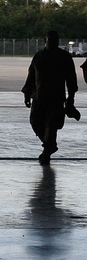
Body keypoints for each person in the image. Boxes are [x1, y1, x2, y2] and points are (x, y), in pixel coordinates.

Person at [22, 30, 78, 164]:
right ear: (45, 41)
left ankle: (47, 151)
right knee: (35, 122)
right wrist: (27, 94)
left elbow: (71, 79)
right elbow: (31, 76)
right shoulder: (39, 56)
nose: (52, 42)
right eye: (50, 39)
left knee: (51, 126)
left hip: (56, 97)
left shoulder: (64, 57)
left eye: (55, 40)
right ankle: (49, 145)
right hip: (38, 97)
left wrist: (71, 98)